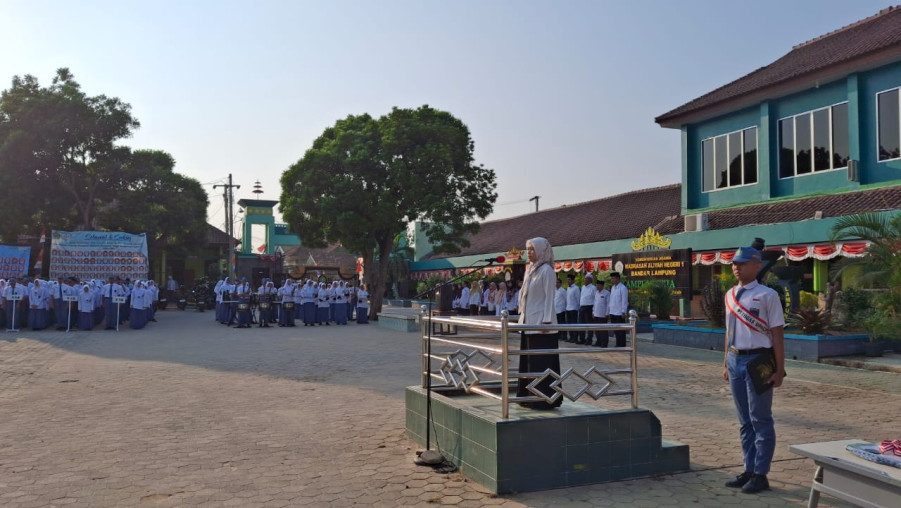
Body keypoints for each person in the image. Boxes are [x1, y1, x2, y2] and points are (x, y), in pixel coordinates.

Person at [722, 246, 786, 494]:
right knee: (744, 421)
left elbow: (778, 335)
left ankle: (761, 474)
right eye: (734, 263)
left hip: (758, 361)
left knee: (761, 419)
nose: (737, 267)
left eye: (743, 263)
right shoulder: (730, 295)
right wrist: (724, 362)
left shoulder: (767, 295)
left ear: (756, 266)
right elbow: (728, 332)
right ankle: (748, 469)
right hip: (734, 359)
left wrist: (780, 370)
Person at [516, 237, 562, 410]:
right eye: (527, 249)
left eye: (532, 249)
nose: (529, 253)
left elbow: (550, 297)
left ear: (542, 251)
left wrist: (547, 321)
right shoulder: (530, 270)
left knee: (542, 363)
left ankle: (543, 398)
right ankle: (527, 395)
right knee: (528, 361)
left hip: (542, 325)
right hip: (528, 323)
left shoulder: (546, 270)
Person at [608, 272, 629, 347]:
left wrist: (624, 312)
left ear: (618, 279)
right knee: (616, 329)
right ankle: (618, 343)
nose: (612, 280)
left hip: (619, 312)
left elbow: (624, 301)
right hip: (613, 311)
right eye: (611, 278)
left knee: (621, 330)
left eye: (613, 278)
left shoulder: (623, 288)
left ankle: (622, 344)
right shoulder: (613, 288)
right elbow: (611, 300)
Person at [578, 273, 596, 344]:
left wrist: (593, 310)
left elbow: (595, 299)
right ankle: (582, 339)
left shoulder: (593, 288)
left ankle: (589, 340)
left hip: (589, 308)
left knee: (589, 325)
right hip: (582, 307)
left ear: (590, 280)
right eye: (585, 278)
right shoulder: (583, 287)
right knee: (581, 324)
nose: (585, 280)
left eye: (587, 278)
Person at [592, 279, 611, 347]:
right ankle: (598, 341)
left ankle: (604, 343)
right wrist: (593, 312)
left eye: (599, 285)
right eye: (597, 285)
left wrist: (607, 313)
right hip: (596, 313)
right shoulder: (596, 293)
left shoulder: (606, 293)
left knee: (603, 330)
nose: (597, 287)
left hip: (603, 314)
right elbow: (595, 303)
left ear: (602, 286)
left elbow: (608, 304)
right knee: (597, 329)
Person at [564, 274, 580, 343]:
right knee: (569, 324)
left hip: (574, 309)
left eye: (569, 280)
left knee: (574, 324)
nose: (568, 281)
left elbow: (578, 299)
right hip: (568, 308)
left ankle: (575, 338)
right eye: (567, 280)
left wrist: (578, 308)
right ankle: (571, 337)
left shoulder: (576, 288)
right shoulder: (568, 288)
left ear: (573, 280)